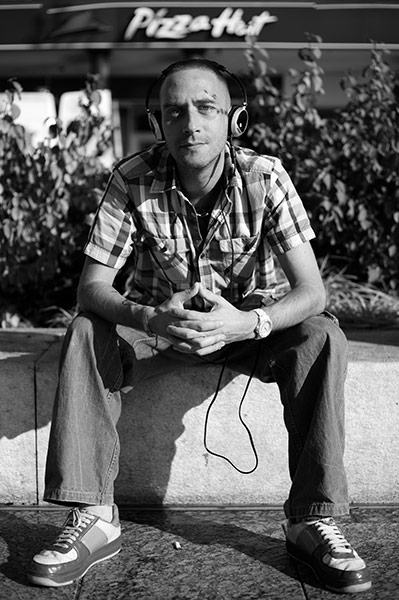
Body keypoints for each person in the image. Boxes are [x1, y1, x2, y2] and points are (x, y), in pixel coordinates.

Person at [27, 59, 371, 594]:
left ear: (235, 120)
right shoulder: (131, 178)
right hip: (160, 325)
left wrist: (246, 323)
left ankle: (311, 519)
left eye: (206, 108)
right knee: (83, 330)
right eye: (174, 111)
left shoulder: (266, 176)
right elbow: (91, 288)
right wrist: (149, 316)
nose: (191, 122)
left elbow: (312, 291)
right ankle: (93, 517)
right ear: (158, 123)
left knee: (323, 336)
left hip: (247, 326)